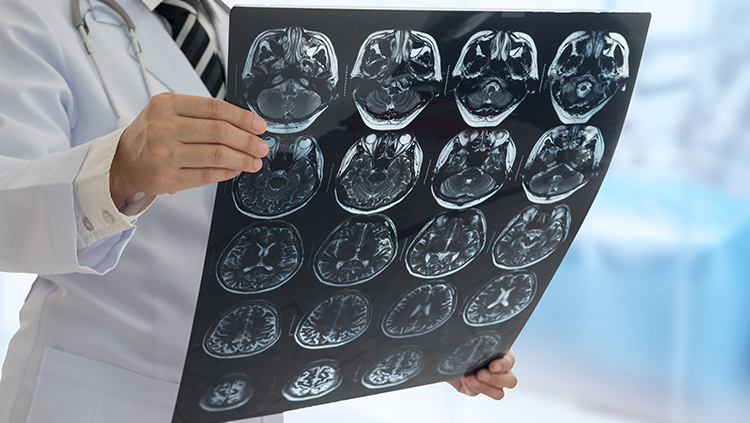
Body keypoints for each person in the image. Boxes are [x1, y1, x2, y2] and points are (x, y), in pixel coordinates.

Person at [0, 1, 517, 422]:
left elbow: (319, 225)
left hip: (250, 400)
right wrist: (116, 172)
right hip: (95, 396)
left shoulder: (249, 30)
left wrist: (427, 340)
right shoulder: (32, 18)